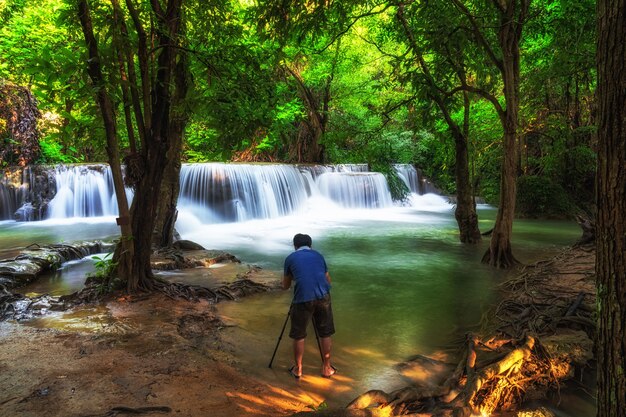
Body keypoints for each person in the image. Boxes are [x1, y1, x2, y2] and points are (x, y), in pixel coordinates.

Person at [283, 233, 336, 379]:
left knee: (299, 335)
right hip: (323, 295)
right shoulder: (318, 255)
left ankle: (298, 369)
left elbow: (285, 286)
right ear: (311, 245)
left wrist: (295, 277)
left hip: (302, 298)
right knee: (325, 332)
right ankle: (326, 368)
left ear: (295, 246)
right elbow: (328, 280)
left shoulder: (290, 258)